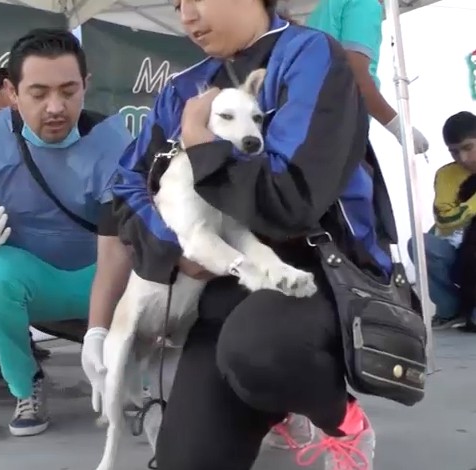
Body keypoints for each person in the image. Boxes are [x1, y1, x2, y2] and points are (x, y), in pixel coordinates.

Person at [97, 0, 394, 468]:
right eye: (177, 4)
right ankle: (272, 405)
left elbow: (292, 199)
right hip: (219, 289)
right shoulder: (182, 88)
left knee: (260, 350)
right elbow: (126, 181)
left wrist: (201, 145)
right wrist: (175, 243)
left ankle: (338, 420)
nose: (187, 15)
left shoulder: (312, 56)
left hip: (318, 271)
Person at [0, 28, 132, 437]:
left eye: (69, 91)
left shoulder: (112, 142)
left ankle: (128, 380)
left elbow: (119, 244)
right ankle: (25, 383)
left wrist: (100, 331)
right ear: (12, 93)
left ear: (86, 86)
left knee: (144, 266)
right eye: (38, 93)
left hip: (103, 270)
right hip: (34, 275)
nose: (56, 107)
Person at [305, 0, 429, 154]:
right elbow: (355, 78)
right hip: (332, 132)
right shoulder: (364, 4)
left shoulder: (327, 7)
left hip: (307, 126)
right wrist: (397, 126)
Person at [408, 111, 476, 329]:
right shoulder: (447, 175)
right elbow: (445, 219)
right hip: (457, 252)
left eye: (468, 148)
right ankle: (450, 308)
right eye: (454, 152)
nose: (463, 159)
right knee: (419, 244)